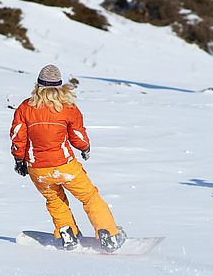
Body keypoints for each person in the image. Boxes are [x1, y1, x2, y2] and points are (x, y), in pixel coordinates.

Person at [10, 64, 126, 252]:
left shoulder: (26, 107)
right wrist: (85, 147)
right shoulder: (68, 108)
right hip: (65, 166)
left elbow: (18, 136)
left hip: (37, 169)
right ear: (59, 86)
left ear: (38, 85)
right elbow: (78, 135)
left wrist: (18, 160)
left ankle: (67, 233)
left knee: (54, 200)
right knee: (89, 197)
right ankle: (109, 234)